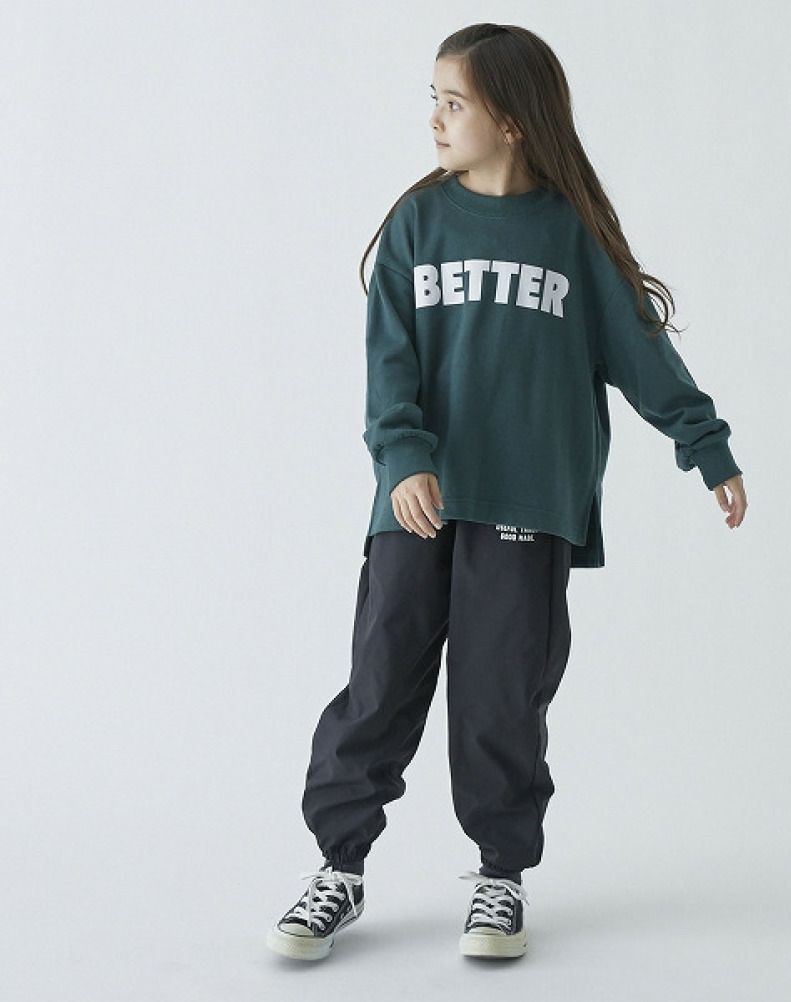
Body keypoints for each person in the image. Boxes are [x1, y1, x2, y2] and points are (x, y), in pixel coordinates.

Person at [267, 22, 748, 963]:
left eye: (455, 102)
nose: (436, 119)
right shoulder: (417, 225)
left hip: (529, 501)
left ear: (513, 119)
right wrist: (403, 459)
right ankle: (339, 866)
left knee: (501, 696)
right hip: (418, 502)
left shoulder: (572, 235)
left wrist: (706, 446)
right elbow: (388, 365)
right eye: (434, 101)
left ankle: (500, 875)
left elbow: (642, 354)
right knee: (380, 683)